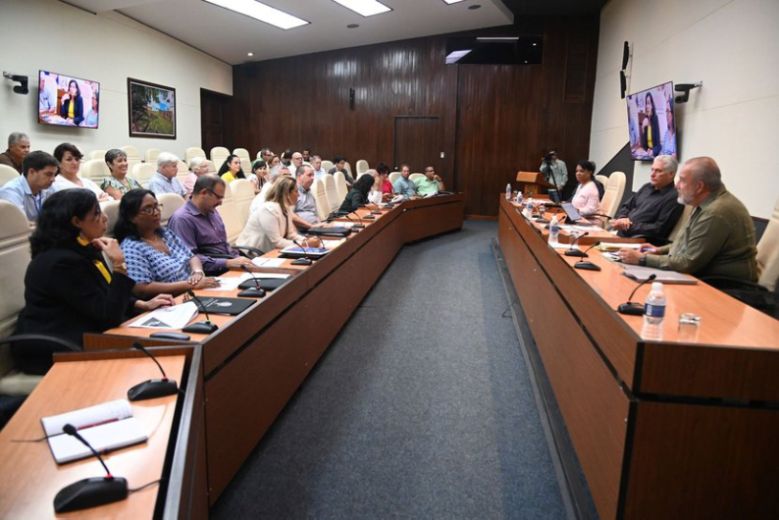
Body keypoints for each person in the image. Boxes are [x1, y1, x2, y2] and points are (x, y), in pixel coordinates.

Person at [12, 189, 173, 374]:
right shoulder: (61, 263)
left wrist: (141, 304)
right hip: (53, 347)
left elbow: (103, 291)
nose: (105, 217)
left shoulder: (84, 249)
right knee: (158, 363)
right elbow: (108, 315)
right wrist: (120, 265)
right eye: (96, 213)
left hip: (85, 333)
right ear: (76, 222)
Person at [619, 157, 758, 282]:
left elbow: (688, 263)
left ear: (699, 187)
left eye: (682, 180)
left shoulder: (715, 212)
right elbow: (687, 242)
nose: (677, 185)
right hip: (705, 275)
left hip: (725, 285)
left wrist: (642, 259)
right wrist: (658, 250)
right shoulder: (705, 204)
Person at [115, 189, 219, 298]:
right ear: (132, 217)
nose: (156, 212)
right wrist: (189, 284)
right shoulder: (131, 248)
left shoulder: (165, 233)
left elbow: (191, 257)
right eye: (148, 209)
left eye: (156, 206)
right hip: (171, 301)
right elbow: (142, 288)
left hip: (196, 291)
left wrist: (197, 272)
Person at [167, 175, 254, 275]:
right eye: (218, 197)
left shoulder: (212, 211)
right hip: (212, 274)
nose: (221, 203)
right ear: (203, 193)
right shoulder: (182, 219)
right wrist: (227, 263)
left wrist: (239, 259)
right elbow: (188, 259)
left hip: (230, 265)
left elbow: (223, 244)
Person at [611, 155, 683, 245]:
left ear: (671, 174)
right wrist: (622, 218)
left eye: (658, 171)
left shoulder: (674, 197)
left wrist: (629, 226)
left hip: (639, 242)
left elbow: (659, 229)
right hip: (621, 235)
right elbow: (627, 206)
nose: (652, 174)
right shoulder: (646, 187)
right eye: (652, 169)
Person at [237, 176, 320, 253]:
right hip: (251, 254)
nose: (298, 195)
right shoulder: (268, 210)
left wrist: (306, 240)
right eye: (296, 191)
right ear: (287, 193)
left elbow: (291, 235)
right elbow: (277, 242)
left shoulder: (286, 208)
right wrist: (304, 244)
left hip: (268, 251)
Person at [0, 150, 58, 221]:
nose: (53, 179)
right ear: (31, 172)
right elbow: (21, 224)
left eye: (54, 175)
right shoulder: (10, 191)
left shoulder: (49, 187)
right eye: (48, 174)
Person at [293, 164, 319, 229]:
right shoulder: (292, 192)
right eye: (309, 175)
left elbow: (315, 213)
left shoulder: (310, 192)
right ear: (299, 177)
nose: (313, 178)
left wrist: (320, 226)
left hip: (315, 228)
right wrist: (311, 226)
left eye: (313, 175)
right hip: (302, 231)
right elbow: (291, 216)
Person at [640, 92, 661, 158]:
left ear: (652, 105)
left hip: (655, 155)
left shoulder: (655, 119)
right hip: (648, 155)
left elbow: (659, 145)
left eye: (648, 103)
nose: (647, 106)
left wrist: (653, 151)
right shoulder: (645, 120)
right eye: (646, 104)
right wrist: (643, 127)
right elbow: (643, 145)